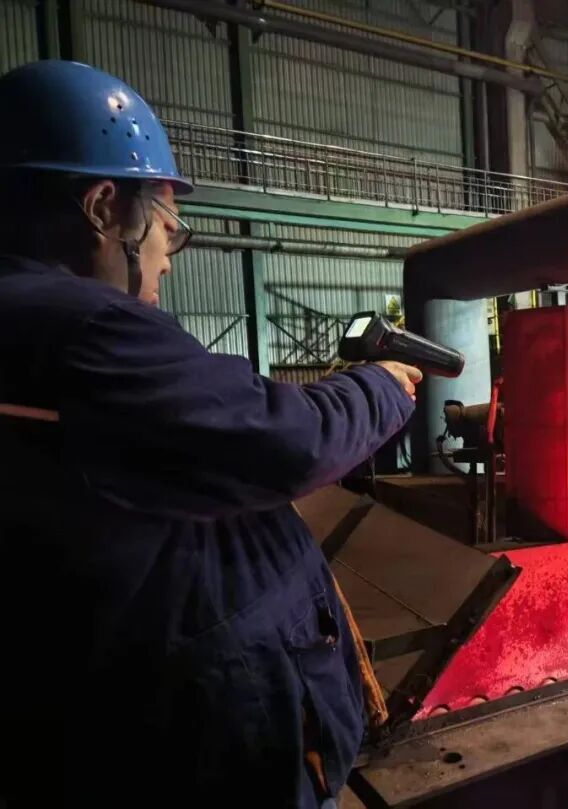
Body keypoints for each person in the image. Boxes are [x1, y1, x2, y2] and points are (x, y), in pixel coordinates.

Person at [0, 60, 422, 808]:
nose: (167, 256)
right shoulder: (80, 327)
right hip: (201, 756)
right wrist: (381, 386)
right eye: (168, 229)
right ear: (102, 206)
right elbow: (286, 442)